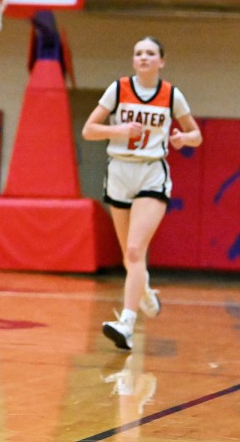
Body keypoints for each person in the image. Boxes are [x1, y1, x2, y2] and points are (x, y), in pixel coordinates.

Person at [81, 36, 201, 352]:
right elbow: (89, 130)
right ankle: (145, 292)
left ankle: (127, 324)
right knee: (128, 256)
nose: (144, 57)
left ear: (161, 61)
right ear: (133, 61)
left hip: (151, 172)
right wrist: (116, 130)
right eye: (138, 53)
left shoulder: (171, 94)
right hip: (120, 172)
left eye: (150, 53)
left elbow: (196, 135)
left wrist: (182, 138)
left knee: (135, 250)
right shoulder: (118, 89)